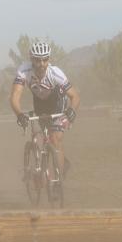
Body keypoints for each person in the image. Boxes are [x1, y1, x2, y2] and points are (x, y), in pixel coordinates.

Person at [10, 41, 80, 180]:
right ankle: (51, 164)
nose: (41, 64)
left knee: (55, 138)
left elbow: (75, 96)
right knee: (44, 137)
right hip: (40, 103)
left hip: (57, 102)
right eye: (37, 60)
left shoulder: (55, 73)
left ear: (49, 59)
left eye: (45, 59)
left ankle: (57, 180)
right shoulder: (24, 71)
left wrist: (72, 110)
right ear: (31, 59)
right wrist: (19, 114)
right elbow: (14, 97)